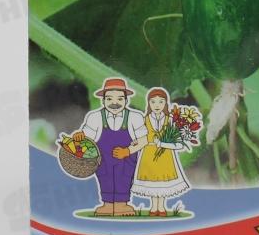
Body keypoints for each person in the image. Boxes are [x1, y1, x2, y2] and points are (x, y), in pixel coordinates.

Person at [71, 77, 145, 216]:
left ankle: (122, 205)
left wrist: (128, 151)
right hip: (104, 159)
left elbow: (144, 139)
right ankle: (107, 204)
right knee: (105, 178)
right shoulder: (95, 117)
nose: (114, 103)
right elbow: (87, 135)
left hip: (126, 157)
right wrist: (80, 136)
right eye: (109, 99)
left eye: (119, 99)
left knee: (124, 178)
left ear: (126, 100)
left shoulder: (135, 117)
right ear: (103, 100)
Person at [131, 87, 191, 216]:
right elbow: (142, 137)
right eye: (153, 102)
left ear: (165, 104)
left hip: (165, 155)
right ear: (149, 104)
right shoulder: (145, 120)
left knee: (163, 182)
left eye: (160, 102)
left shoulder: (170, 120)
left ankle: (162, 207)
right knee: (152, 182)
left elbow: (178, 142)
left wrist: (163, 144)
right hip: (149, 154)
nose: (157, 105)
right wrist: (135, 143)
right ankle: (154, 208)